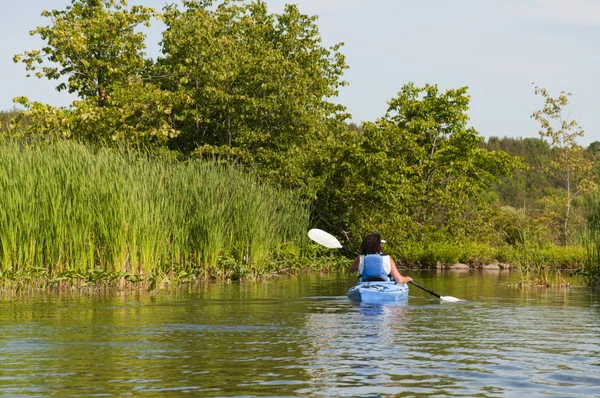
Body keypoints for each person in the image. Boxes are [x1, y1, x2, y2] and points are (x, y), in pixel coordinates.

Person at [348, 232, 413, 284]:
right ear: (378, 246)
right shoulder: (388, 258)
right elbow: (399, 280)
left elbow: (350, 270)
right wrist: (408, 279)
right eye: (380, 243)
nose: (381, 245)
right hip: (385, 286)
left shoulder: (360, 258)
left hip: (364, 286)